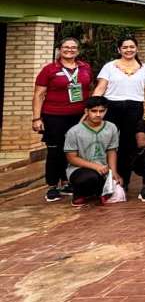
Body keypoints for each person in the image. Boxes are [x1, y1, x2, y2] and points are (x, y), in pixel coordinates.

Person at [33, 36, 93, 202]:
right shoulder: (49, 69)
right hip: (54, 116)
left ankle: (67, 181)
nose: (69, 50)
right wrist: (36, 118)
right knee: (55, 151)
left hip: (79, 116)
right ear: (60, 50)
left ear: (78, 51)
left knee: (73, 150)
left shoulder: (85, 68)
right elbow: (39, 94)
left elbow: (89, 89)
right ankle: (52, 186)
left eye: (73, 47)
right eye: (66, 47)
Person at [91, 35, 145, 192]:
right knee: (108, 141)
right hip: (112, 106)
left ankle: (123, 180)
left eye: (132, 47)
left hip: (134, 108)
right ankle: (103, 179)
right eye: (125, 47)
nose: (128, 50)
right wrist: (91, 107)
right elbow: (101, 87)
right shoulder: (110, 66)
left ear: (137, 48)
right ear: (119, 49)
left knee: (128, 145)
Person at [64, 96, 121, 207]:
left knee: (113, 183)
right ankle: (79, 194)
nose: (98, 114)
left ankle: (97, 192)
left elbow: (111, 151)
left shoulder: (111, 127)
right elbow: (71, 158)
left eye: (101, 111)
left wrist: (114, 172)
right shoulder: (74, 131)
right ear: (86, 111)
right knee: (90, 177)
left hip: (103, 169)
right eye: (94, 111)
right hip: (79, 170)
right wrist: (95, 166)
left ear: (106, 111)